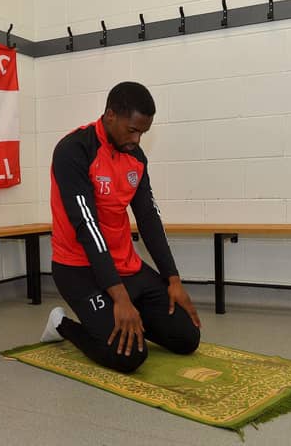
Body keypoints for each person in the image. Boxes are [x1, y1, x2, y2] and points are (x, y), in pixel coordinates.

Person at [41, 81, 200, 373]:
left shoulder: (136, 157)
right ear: (110, 115)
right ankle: (61, 325)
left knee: (186, 337)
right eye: (133, 130)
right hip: (80, 269)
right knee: (129, 356)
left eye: (143, 132)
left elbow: (149, 219)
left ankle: (130, 320)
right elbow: (87, 227)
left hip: (127, 267)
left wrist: (173, 280)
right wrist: (119, 296)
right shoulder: (73, 151)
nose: (137, 139)